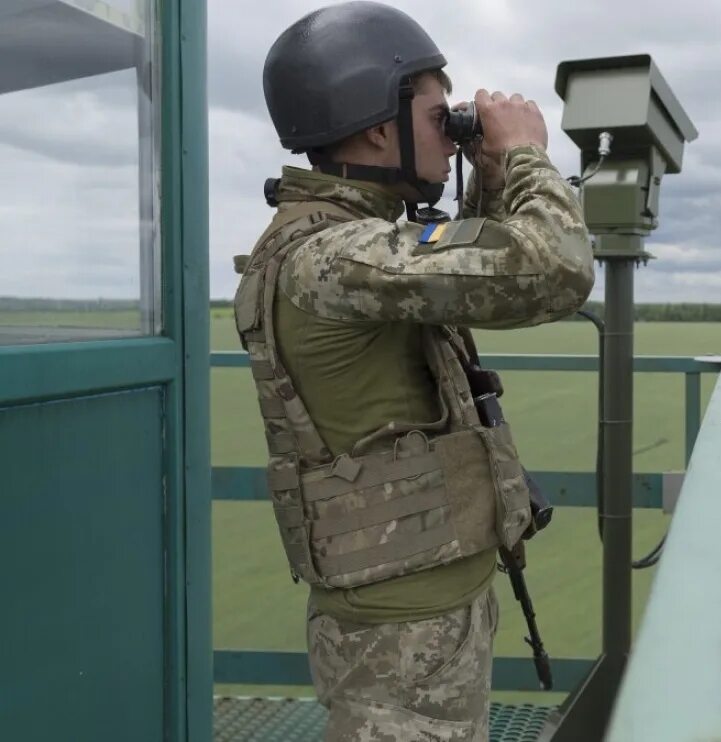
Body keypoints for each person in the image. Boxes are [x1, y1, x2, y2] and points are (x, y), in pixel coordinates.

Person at [231, 2, 594, 739]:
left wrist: (486, 176)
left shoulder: (354, 243)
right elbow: (553, 268)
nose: (453, 129)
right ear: (375, 125)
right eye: (438, 115)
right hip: (402, 636)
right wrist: (527, 153)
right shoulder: (336, 257)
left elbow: (459, 260)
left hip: (418, 614)